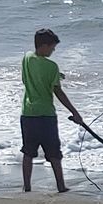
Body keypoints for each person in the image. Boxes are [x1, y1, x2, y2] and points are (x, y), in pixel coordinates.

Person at [21, 28, 83, 193]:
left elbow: (33, 74)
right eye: (52, 47)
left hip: (27, 114)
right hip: (46, 115)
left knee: (28, 152)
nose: (53, 50)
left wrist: (56, 74)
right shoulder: (52, 67)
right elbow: (58, 92)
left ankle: (27, 187)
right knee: (54, 153)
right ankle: (61, 186)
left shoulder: (27, 58)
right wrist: (74, 112)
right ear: (44, 46)